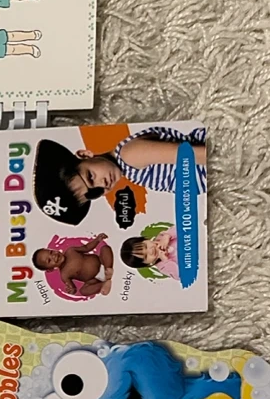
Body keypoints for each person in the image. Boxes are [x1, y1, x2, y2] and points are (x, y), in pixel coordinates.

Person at [34, 127, 207, 225]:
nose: (102, 184)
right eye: (94, 193)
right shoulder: (130, 170)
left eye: (91, 177)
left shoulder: (129, 155)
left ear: (84, 155)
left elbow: (192, 155)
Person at [33, 234, 115, 297]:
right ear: (50, 269)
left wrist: (97, 240)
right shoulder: (64, 275)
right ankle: (103, 285)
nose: (54, 256)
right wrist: (71, 290)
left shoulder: (71, 251)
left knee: (105, 248)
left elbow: (86, 247)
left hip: (102, 262)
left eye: (51, 252)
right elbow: (74, 289)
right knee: (83, 291)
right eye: (49, 260)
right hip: (93, 280)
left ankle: (108, 269)